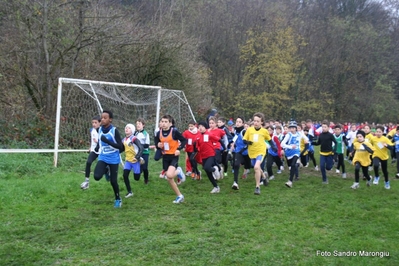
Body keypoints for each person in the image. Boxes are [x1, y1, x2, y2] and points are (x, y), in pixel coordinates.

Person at [93, 110, 125, 208]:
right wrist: (98, 146)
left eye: (105, 118)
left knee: (113, 181)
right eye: (101, 118)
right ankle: (106, 170)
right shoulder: (99, 129)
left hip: (114, 158)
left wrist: (108, 142)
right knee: (97, 176)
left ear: (110, 120)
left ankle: (118, 199)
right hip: (103, 156)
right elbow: (101, 140)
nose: (102, 119)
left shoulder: (114, 131)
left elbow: (121, 147)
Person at [154, 115, 187, 204]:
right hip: (165, 156)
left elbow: (184, 140)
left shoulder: (174, 131)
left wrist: (178, 149)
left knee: (169, 175)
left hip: (173, 156)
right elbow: (156, 141)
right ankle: (179, 196)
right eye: (162, 121)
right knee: (169, 178)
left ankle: (179, 171)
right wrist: (158, 145)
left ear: (170, 123)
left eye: (166, 122)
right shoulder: (158, 132)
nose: (163, 124)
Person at [243, 112, 276, 195]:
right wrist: (248, 142)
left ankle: (257, 187)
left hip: (261, 151)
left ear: (262, 122)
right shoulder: (249, 130)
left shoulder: (264, 131)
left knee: (256, 167)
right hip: (252, 152)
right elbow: (244, 140)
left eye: (258, 121)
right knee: (257, 168)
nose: (256, 123)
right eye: (254, 121)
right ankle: (264, 177)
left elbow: (269, 140)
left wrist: (274, 146)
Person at [194, 121, 222, 193]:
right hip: (203, 156)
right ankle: (216, 187)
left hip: (211, 154)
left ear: (205, 127)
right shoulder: (197, 137)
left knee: (206, 167)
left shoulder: (209, 134)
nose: (200, 128)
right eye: (199, 126)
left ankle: (215, 169)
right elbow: (197, 147)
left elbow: (218, 139)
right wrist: (196, 150)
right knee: (207, 172)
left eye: (202, 126)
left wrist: (225, 148)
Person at [281, 121, 308, 188]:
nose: (292, 129)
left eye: (293, 128)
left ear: (296, 128)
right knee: (291, 167)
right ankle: (297, 165)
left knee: (293, 164)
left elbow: (306, 138)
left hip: (296, 151)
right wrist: (290, 147)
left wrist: (306, 141)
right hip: (289, 152)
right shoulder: (288, 135)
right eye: (291, 128)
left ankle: (290, 181)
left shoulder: (300, 134)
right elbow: (282, 144)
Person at [122, 124, 144, 198]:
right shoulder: (124, 140)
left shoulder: (134, 138)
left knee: (136, 178)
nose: (126, 129)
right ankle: (129, 192)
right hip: (128, 161)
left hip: (135, 161)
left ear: (132, 130)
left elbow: (141, 148)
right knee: (125, 175)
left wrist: (137, 157)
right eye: (126, 128)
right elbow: (120, 148)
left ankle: (141, 167)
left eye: (129, 128)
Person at [80, 115, 101, 190]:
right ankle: (86, 182)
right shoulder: (92, 130)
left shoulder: (102, 131)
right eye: (93, 122)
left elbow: (105, 141)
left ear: (100, 123)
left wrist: (98, 142)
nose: (94, 124)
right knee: (88, 162)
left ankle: (107, 172)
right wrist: (91, 146)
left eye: (95, 122)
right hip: (94, 150)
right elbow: (92, 140)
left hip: (101, 151)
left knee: (102, 166)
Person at [230, 117, 251, 190]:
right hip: (238, 152)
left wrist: (243, 149)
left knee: (252, 166)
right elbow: (236, 140)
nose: (237, 123)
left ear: (242, 123)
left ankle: (262, 178)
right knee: (236, 165)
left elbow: (248, 143)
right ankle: (235, 183)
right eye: (237, 121)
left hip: (246, 152)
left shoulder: (244, 131)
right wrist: (233, 145)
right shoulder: (236, 131)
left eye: (239, 122)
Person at [134, 118, 151, 184]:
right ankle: (138, 174)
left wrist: (140, 146)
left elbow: (147, 145)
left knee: (144, 167)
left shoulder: (146, 134)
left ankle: (146, 179)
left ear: (143, 125)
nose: (138, 125)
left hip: (144, 153)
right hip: (137, 153)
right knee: (137, 167)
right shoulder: (135, 133)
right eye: (137, 124)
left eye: (139, 124)